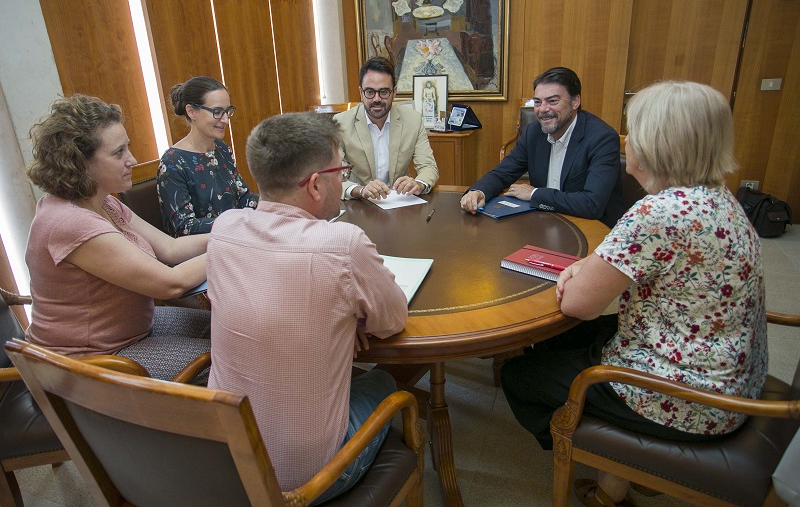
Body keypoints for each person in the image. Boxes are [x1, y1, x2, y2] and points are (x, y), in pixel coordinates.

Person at [500, 81, 767, 506]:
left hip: (690, 397)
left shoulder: (658, 212)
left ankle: (616, 461)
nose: (628, 142)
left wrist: (578, 275)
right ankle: (620, 478)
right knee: (561, 339)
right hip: (730, 374)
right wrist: (588, 268)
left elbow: (579, 303)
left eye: (635, 131)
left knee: (518, 375)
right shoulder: (719, 197)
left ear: (656, 143)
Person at [206, 112, 408, 502]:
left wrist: (335, 318)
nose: (343, 179)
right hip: (308, 481)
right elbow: (392, 320)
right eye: (341, 170)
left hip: (227, 457)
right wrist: (350, 320)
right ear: (316, 185)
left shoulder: (224, 229)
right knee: (384, 381)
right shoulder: (343, 244)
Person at [25, 94, 211, 382]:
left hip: (131, 332)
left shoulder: (104, 202)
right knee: (231, 359)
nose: (132, 160)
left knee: (227, 329)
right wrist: (232, 245)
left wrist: (230, 231)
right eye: (118, 153)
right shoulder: (70, 223)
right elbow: (170, 283)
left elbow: (171, 248)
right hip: (84, 365)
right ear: (80, 163)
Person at [461, 67, 626, 228]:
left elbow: (592, 204)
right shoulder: (534, 132)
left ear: (575, 101)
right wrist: (479, 191)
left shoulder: (601, 138)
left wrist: (534, 194)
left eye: (552, 101)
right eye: (538, 102)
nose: (543, 109)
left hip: (592, 229)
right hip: (545, 222)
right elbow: (502, 173)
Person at [157, 76, 258, 236]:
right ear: (191, 111)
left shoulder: (221, 148)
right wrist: (237, 222)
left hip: (233, 237)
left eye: (227, 111)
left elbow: (243, 198)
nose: (225, 120)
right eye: (217, 112)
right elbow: (185, 227)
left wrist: (276, 203)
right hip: (203, 248)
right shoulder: (172, 162)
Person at [334, 56, 439, 200]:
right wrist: (359, 190)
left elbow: (428, 167)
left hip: (400, 201)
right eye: (370, 92)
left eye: (383, 92)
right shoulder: (340, 123)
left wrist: (419, 184)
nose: (376, 99)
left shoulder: (413, 120)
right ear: (361, 92)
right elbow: (331, 175)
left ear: (394, 92)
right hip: (359, 202)